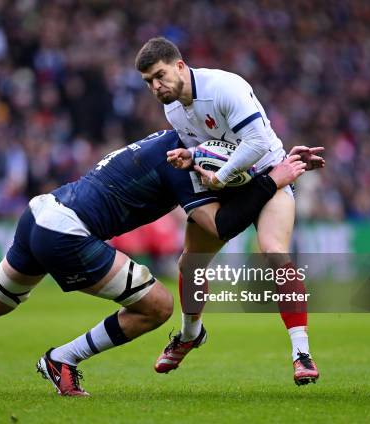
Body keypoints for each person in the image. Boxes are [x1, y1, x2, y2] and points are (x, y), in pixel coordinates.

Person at [0, 130, 307, 397]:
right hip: (67, 231)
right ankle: (62, 359)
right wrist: (272, 180)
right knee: (156, 307)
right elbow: (215, 226)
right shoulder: (183, 157)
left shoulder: (165, 140)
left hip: (41, 211)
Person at [135, 37, 324, 385]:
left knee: (274, 252)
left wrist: (220, 176)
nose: (155, 86)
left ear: (179, 66)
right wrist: (192, 158)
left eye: (159, 75)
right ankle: (190, 334)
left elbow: (255, 144)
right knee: (188, 264)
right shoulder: (172, 107)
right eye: (148, 81)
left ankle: (302, 353)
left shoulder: (224, 87)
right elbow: (211, 150)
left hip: (271, 177)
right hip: (228, 187)